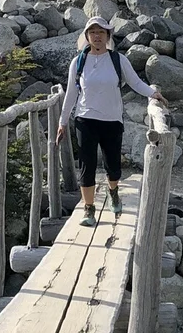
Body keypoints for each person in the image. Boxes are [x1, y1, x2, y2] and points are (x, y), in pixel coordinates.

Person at [57, 16, 166, 225]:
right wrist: (62, 123)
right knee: (87, 165)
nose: (97, 36)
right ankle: (89, 209)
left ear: (107, 36)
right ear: (87, 36)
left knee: (113, 164)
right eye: (93, 32)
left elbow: (135, 82)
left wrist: (153, 94)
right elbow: (71, 93)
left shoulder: (118, 60)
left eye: (101, 32)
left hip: (112, 119)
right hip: (85, 119)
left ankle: (113, 191)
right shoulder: (78, 62)